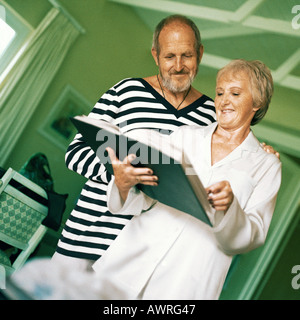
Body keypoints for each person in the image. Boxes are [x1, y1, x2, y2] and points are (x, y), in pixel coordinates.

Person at [54, 15, 278, 269]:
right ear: (155, 55)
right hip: (87, 236)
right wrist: (120, 176)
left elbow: (227, 152)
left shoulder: (211, 113)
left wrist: (261, 153)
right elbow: (75, 152)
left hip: (143, 257)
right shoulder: (126, 91)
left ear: (200, 54)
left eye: (187, 55)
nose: (179, 66)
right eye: (169, 56)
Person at [91, 59, 282, 300]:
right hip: (126, 267)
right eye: (220, 92)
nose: (223, 101)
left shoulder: (266, 165)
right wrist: (123, 183)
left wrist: (230, 207)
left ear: (257, 102)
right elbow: (148, 196)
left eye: (235, 93)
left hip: (185, 286)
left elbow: (250, 237)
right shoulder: (184, 136)